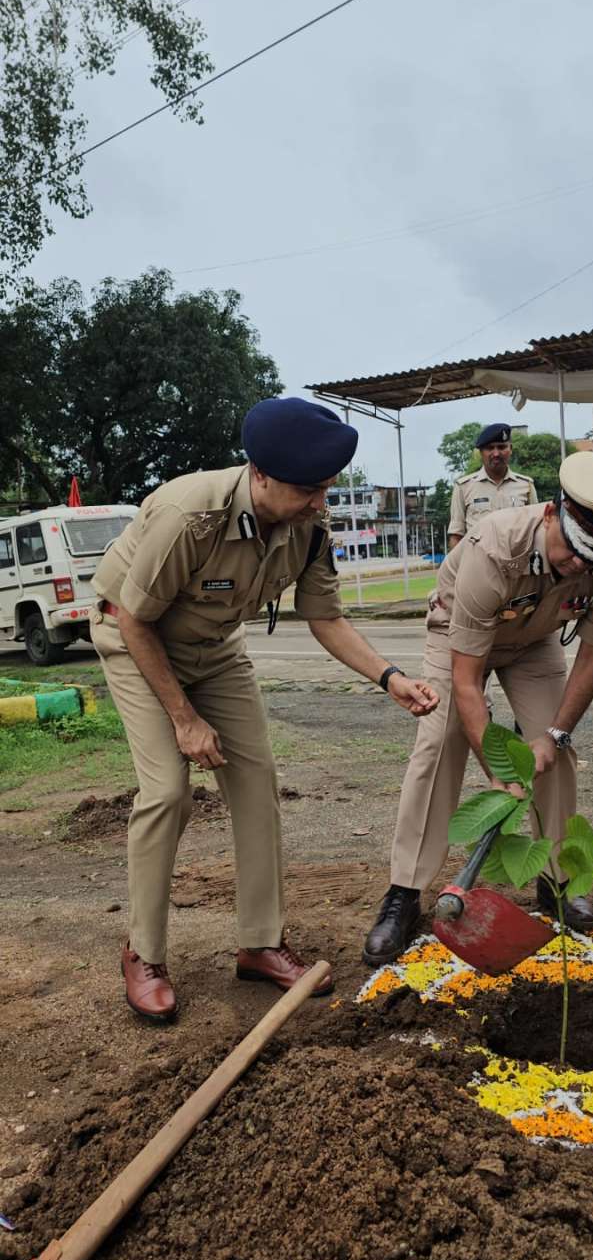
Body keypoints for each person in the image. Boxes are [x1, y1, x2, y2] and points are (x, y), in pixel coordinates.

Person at [90, 396, 438, 1023]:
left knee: (256, 785)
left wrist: (390, 678)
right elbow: (133, 620)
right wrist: (185, 720)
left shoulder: (309, 528)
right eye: (308, 490)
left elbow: (325, 617)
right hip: (136, 641)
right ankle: (143, 954)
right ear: (260, 475)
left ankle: (260, 943)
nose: (319, 503)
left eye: (326, 488)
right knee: (167, 792)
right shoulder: (188, 516)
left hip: (217, 651)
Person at [362, 451, 593, 967]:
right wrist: (499, 774)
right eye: (575, 552)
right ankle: (405, 892)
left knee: (555, 750)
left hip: (534, 641)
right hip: (458, 639)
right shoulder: (494, 547)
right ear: (551, 514)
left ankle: (557, 881)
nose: (583, 567)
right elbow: (466, 680)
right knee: (441, 741)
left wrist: (554, 735)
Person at [447, 422, 537, 550]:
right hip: (478, 560)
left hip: (517, 560)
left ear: (510, 449)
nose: (496, 454)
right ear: (481, 452)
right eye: (490, 448)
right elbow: (456, 535)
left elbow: (536, 530)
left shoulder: (526, 485)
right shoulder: (463, 487)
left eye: (501, 447)